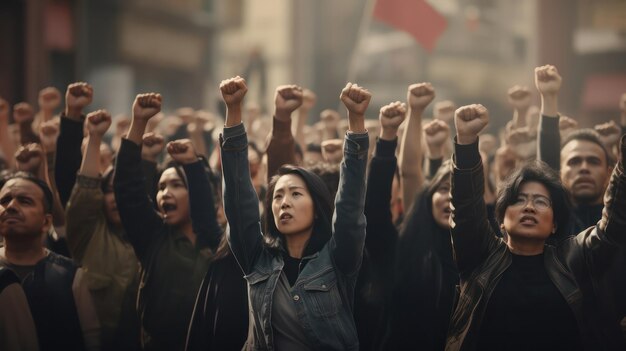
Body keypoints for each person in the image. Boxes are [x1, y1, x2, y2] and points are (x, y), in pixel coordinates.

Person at [446, 104, 626, 350]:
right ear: (500, 219)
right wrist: (466, 140)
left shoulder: (572, 259)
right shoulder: (480, 256)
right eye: (519, 200)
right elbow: (465, 206)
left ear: (554, 224)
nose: (529, 207)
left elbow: (613, 225)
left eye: (541, 202)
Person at [220, 76, 369, 350]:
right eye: (277, 196)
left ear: (316, 209)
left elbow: (349, 209)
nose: (284, 203)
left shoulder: (337, 261)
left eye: (296, 194)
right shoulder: (257, 259)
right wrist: (233, 112)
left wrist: (356, 122)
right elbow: (238, 201)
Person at [114, 93, 221, 351]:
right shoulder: (154, 239)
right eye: (161, 187)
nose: (165, 194)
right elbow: (128, 191)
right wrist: (138, 122)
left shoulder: (218, 244)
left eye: (176, 185)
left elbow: (205, 217)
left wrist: (193, 166)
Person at [65, 109, 141, 350]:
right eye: (109, 191)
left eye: (121, 192)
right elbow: (85, 192)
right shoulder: (89, 233)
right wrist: (95, 138)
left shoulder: (150, 239)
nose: (116, 198)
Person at [0, 172, 100, 350]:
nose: (11, 207)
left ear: (46, 222)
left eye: (25, 201)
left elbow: (91, 340)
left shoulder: (70, 275)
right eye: (4, 201)